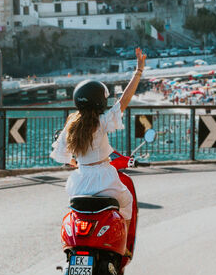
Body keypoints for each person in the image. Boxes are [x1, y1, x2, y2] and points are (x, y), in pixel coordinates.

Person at [50, 47, 147, 223]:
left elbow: (61, 155)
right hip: (105, 180)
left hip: (79, 183)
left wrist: (77, 162)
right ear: (100, 101)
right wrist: (139, 71)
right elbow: (123, 100)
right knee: (127, 203)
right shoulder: (101, 121)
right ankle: (122, 246)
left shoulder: (71, 124)